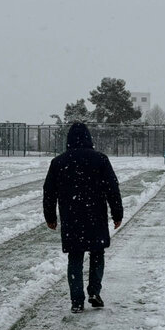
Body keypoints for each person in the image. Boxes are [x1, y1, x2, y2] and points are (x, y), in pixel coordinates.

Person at [43, 122, 123, 314]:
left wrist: (50, 216)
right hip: (95, 214)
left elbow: (49, 192)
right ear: (89, 138)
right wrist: (117, 213)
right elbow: (112, 188)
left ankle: (77, 300)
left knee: (75, 256)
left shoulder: (59, 162)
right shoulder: (100, 159)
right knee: (97, 253)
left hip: (71, 216)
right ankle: (94, 291)